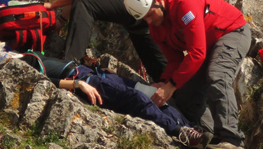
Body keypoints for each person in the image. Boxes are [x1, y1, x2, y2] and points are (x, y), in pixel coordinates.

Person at [124, 0, 252, 149]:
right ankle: (212, 138)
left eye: (149, 14)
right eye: (144, 18)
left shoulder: (185, 5)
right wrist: (164, 82)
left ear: (159, 1)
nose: (149, 21)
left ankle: (232, 140)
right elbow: (175, 61)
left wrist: (170, 86)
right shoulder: (156, 28)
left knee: (218, 76)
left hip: (231, 32)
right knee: (184, 94)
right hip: (207, 44)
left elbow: (197, 53)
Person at [19, 52, 194, 141]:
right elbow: (41, 81)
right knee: (137, 99)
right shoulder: (15, 62)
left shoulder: (17, 55)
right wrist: (77, 84)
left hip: (92, 73)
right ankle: (179, 132)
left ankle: (193, 130)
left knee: (154, 95)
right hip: (85, 80)